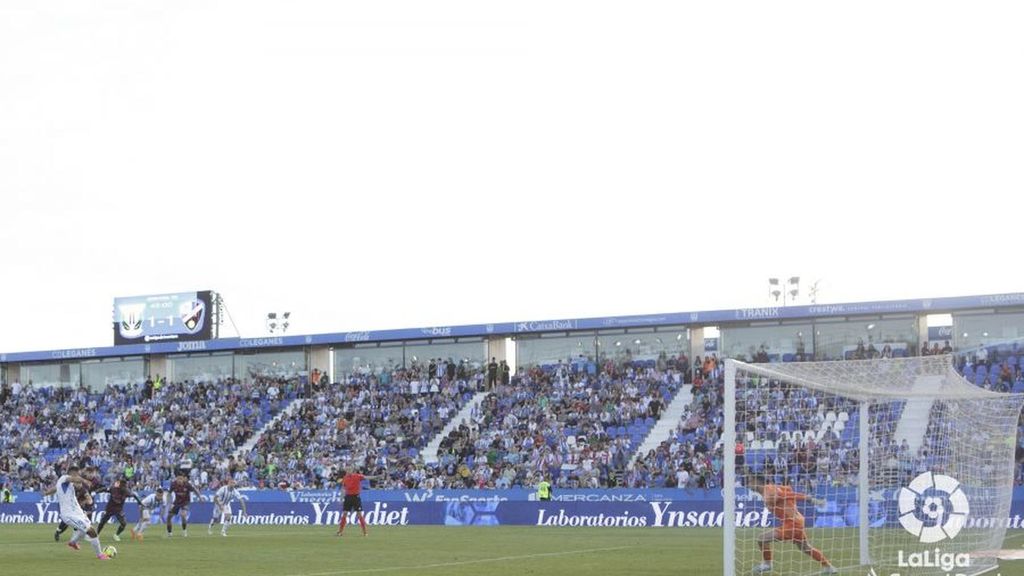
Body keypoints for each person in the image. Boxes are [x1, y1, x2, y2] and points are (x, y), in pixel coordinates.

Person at [747, 474, 836, 574]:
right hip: (796, 521)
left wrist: (811, 499)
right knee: (806, 548)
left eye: (750, 481)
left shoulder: (768, 491)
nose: (748, 484)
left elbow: (789, 495)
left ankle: (768, 564)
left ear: (757, 482)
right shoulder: (771, 489)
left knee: (762, 539)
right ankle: (828, 567)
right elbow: (788, 490)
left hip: (792, 523)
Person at [42, 466, 110, 560]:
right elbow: (74, 479)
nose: (78, 477)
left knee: (83, 532)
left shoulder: (64, 484)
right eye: (77, 475)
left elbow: (55, 489)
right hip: (69, 515)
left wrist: (46, 493)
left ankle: (72, 543)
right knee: (91, 531)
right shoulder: (64, 478)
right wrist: (85, 481)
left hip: (78, 512)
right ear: (73, 474)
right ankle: (100, 555)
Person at [54, 466, 101, 542]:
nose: (92, 475)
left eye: (93, 473)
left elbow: (91, 494)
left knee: (85, 520)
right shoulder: (77, 480)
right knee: (66, 522)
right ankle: (58, 531)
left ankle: (78, 538)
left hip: (81, 503)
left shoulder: (95, 481)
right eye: (90, 473)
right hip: (72, 503)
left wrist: (91, 496)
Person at [337, 467, 380, 537]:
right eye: (347, 470)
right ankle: (340, 531)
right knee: (344, 514)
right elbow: (343, 489)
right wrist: (341, 499)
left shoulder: (357, 476)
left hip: (356, 497)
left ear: (353, 470)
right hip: (348, 497)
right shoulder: (345, 478)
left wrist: (376, 477)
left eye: (349, 469)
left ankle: (365, 532)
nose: (348, 471)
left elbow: (367, 477)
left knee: (359, 514)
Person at [95, 477, 143, 541]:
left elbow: (134, 495)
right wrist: (96, 492)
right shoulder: (113, 488)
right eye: (123, 485)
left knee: (123, 523)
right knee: (102, 522)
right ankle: (96, 535)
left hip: (118, 509)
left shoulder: (126, 491)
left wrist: (139, 503)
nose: (124, 487)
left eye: (125, 486)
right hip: (110, 508)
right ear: (120, 485)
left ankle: (116, 535)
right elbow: (105, 489)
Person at [166, 473, 203, 537]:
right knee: (169, 517)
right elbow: (169, 494)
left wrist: (200, 497)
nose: (179, 480)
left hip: (185, 502)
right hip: (177, 502)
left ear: (183, 479)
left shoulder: (187, 484)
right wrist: (170, 503)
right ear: (176, 479)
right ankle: (170, 533)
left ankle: (184, 531)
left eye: (181, 479)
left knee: (183, 515)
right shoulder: (173, 484)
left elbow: (195, 490)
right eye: (178, 479)